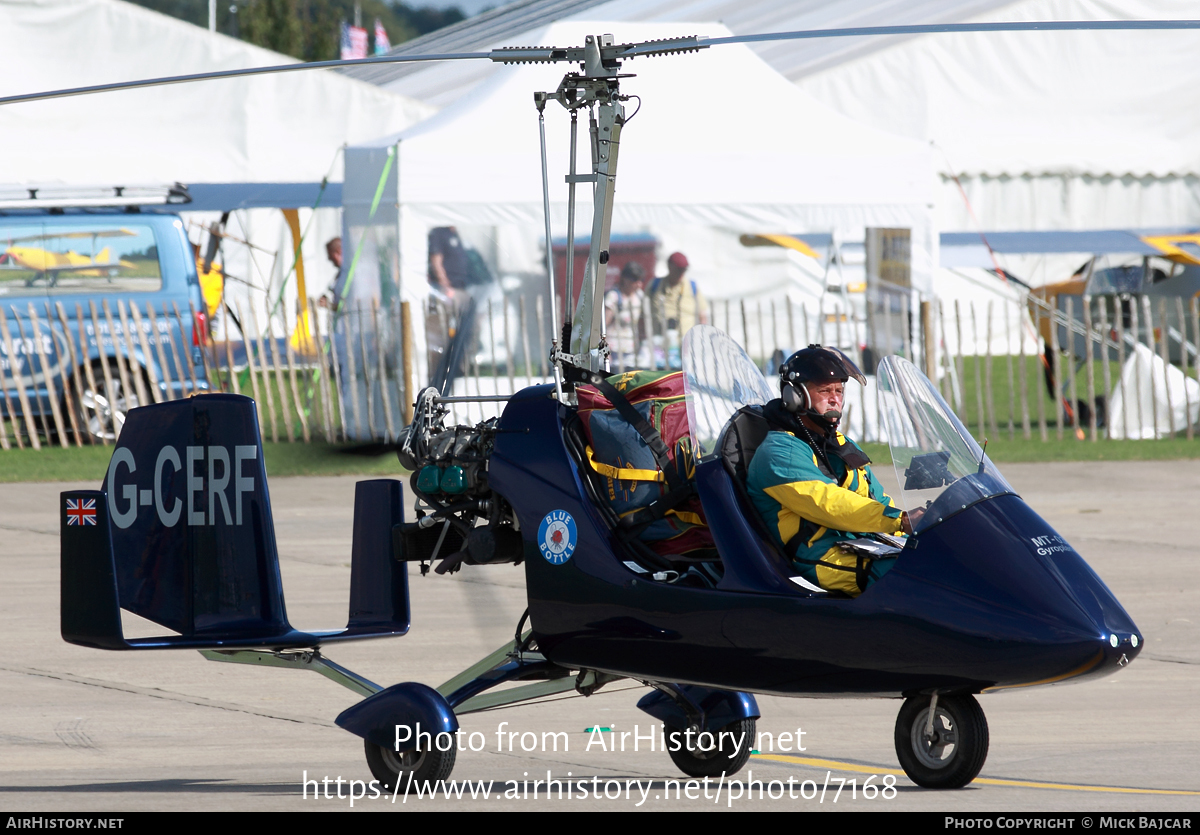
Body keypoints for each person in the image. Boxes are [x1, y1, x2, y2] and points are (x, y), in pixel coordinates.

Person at [746, 345, 924, 597]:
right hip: (817, 555)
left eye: (839, 391)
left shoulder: (838, 444)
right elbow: (826, 503)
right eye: (824, 390)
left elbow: (876, 499)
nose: (835, 399)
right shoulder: (779, 452)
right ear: (795, 395)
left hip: (860, 545)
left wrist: (915, 526)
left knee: (939, 559)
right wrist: (899, 520)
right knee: (912, 580)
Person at [647, 251, 708, 336]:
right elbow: (642, 315)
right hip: (660, 342)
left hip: (686, 342)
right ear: (669, 266)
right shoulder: (655, 285)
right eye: (678, 269)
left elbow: (702, 315)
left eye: (684, 270)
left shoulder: (692, 286)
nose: (681, 273)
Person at [604, 261, 646, 370]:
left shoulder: (639, 296)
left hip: (632, 349)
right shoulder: (613, 297)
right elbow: (603, 325)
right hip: (614, 351)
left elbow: (642, 324)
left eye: (641, 280)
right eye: (635, 280)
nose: (639, 284)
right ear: (625, 279)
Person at [427, 226, 471, 298]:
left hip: (460, 286)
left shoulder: (454, 233)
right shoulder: (439, 232)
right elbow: (436, 261)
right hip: (447, 288)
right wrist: (444, 284)